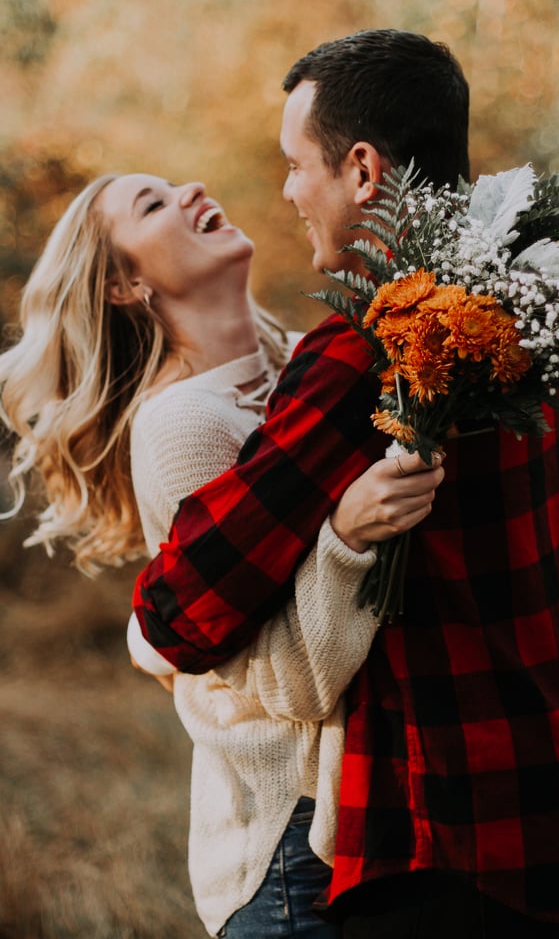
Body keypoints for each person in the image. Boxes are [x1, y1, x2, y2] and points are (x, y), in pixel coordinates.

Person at [131, 30, 559, 939]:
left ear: (363, 170)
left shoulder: (373, 347)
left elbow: (182, 610)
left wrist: (142, 627)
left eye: (297, 166)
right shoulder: (520, 295)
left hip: (451, 829)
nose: (287, 191)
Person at [0, 170, 444, 938]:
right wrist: (346, 537)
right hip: (289, 852)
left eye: (176, 185)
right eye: (153, 204)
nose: (192, 190)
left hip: (375, 817)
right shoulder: (183, 426)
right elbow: (286, 686)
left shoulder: (300, 358)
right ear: (122, 284)